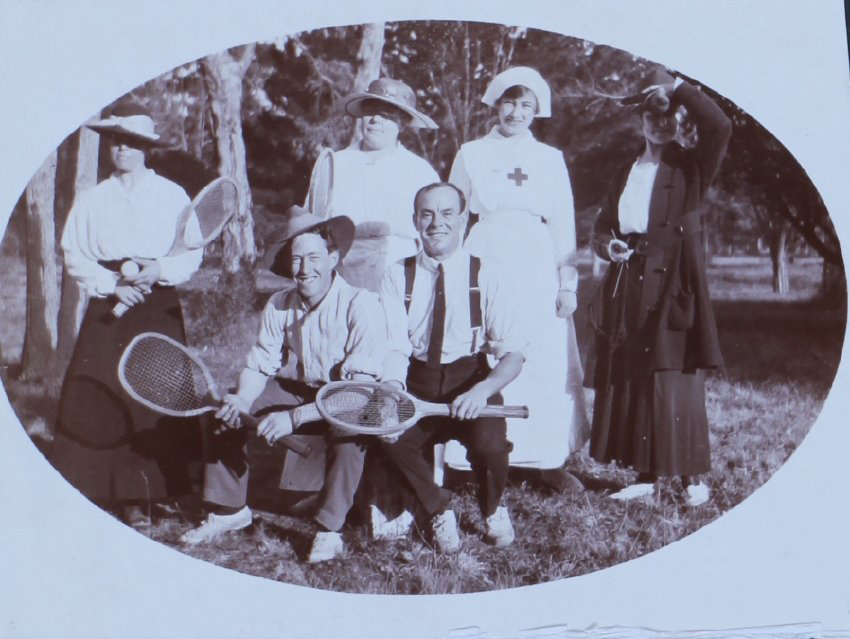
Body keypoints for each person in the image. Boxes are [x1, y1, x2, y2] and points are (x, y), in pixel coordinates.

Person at [180, 207, 387, 563]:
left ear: (333, 258)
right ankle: (229, 510)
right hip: (305, 390)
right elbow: (261, 363)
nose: (305, 269)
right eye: (297, 259)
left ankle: (329, 530)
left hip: (354, 397)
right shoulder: (280, 304)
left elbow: (358, 391)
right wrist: (243, 399)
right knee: (225, 411)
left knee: (351, 431)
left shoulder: (360, 304)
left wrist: (294, 419)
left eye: (314, 258)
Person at [50, 103, 203, 525]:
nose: (123, 148)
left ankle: (164, 487)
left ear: (146, 148)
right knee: (103, 389)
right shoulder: (92, 198)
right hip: (111, 301)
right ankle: (105, 488)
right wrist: (110, 285)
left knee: (160, 393)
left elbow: (192, 252)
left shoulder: (172, 194)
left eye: (133, 142)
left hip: (158, 301)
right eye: (117, 141)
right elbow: (73, 252)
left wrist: (160, 270)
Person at [585, 68, 731, 505]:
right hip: (629, 281)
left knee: (674, 376)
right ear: (640, 119)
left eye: (669, 114)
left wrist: (679, 88)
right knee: (634, 374)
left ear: (681, 120)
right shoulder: (626, 170)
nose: (659, 122)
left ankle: (691, 480)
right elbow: (602, 226)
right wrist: (607, 245)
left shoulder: (692, 166)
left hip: (673, 283)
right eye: (652, 113)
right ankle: (645, 474)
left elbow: (721, 125)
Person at [446, 66, 589, 489]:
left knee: (541, 356)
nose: (517, 112)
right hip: (485, 253)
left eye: (527, 105)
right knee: (484, 348)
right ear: (496, 102)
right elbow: (452, 213)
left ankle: (546, 458)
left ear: (537, 110)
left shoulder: (549, 158)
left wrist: (567, 283)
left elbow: (563, 222)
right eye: (510, 101)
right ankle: (469, 457)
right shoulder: (470, 152)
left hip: (536, 261)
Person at [379, 182, 526, 551]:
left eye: (447, 213)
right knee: (389, 438)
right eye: (427, 214)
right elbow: (394, 347)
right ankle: (436, 508)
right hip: (415, 380)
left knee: (491, 445)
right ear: (415, 220)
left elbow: (513, 354)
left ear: (463, 219)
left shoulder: (486, 273)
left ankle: (492, 508)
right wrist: (395, 392)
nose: (436, 223)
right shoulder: (396, 275)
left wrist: (482, 392)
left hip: (470, 378)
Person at [304, 77, 439, 292]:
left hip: (398, 274)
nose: (376, 120)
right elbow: (310, 223)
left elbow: (433, 233)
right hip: (341, 272)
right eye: (371, 111)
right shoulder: (335, 164)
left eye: (387, 115)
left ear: (402, 123)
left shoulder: (420, 173)